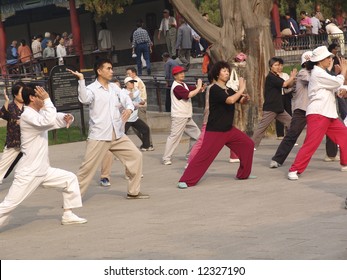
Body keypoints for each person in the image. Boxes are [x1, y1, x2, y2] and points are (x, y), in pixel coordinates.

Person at [0, 83, 87, 229]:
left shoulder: (37, 114)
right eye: (41, 95)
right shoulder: (27, 115)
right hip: (29, 172)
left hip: (43, 170)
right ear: (33, 98)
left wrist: (66, 117)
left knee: (69, 179)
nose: (45, 97)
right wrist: (47, 100)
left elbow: (51, 119)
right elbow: (47, 121)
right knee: (9, 205)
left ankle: (68, 214)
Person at [67, 59, 149, 199]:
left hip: (117, 133)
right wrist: (81, 80)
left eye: (112, 68)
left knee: (136, 156)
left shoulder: (114, 88)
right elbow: (84, 99)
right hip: (99, 135)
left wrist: (129, 109)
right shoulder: (91, 89)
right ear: (99, 71)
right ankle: (71, 199)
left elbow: (126, 100)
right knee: (87, 169)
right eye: (108, 68)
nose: (112, 71)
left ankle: (133, 192)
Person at [177, 61, 254, 189]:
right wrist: (241, 89)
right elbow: (230, 100)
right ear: (217, 74)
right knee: (204, 156)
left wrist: (245, 97)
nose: (227, 73)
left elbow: (239, 100)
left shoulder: (228, 89)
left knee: (248, 145)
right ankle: (186, 179)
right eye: (224, 71)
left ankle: (243, 174)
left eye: (228, 71)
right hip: (215, 131)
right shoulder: (213, 89)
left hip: (229, 130)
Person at [288, 46, 347, 180]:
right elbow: (337, 82)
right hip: (318, 114)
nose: (330, 59)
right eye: (328, 58)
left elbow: (333, 87)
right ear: (320, 60)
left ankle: (345, 163)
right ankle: (294, 169)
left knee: (345, 137)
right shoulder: (317, 73)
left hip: (329, 114)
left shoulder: (322, 72)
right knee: (311, 143)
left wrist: (341, 90)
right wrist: (343, 72)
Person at [270, 51, 313, 168]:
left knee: (331, 132)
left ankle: (332, 154)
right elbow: (313, 80)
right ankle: (277, 159)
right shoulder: (304, 73)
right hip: (302, 109)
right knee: (292, 134)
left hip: (316, 109)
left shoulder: (318, 73)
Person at [162, 66, 203, 165]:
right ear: (174, 76)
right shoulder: (176, 87)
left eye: (183, 72)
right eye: (179, 73)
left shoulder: (183, 84)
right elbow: (189, 95)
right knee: (174, 137)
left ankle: (190, 155)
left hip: (186, 116)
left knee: (197, 136)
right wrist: (198, 87)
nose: (182, 74)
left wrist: (201, 87)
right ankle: (166, 158)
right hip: (179, 116)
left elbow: (195, 90)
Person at [252, 57, 297, 149]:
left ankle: (289, 142)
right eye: (275, 65)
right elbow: (284, 84)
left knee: (291, 123)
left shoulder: (276, 76)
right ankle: (251, 145)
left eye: (279, 65)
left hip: (279, 108)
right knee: (262, 128)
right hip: (271, 108)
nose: (278, 67)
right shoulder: (270, 77)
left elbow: (287, 85)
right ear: (270, 67)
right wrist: (291, 77)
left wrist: (293, 79)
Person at [0, 82, 25, 184]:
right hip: (14, 143)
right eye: (21, 92)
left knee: (38, 163)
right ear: (15, 94)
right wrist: (6, 101)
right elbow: (2, 114)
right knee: (3, 168)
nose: (23, 95)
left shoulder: (28, 106)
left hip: (27, 142)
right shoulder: (10, 107)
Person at [126, 67, 154, 149]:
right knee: (137, 127)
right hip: (136, 106)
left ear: (134, 73)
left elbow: (135, 96)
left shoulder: (137, 82)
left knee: (143, 126)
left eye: (129, 73)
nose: (127, 75)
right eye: (127, 74)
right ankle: (146, 143)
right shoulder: (134, 82)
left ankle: (149, 144)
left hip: (140, 107)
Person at [275, 59, 294, 139]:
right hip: (278, 96)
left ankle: (289, 132)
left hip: (286, 96)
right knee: (279, 114)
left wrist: (292, 79)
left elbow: (289, 85)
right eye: (278, 65)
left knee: (288, 113)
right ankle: (280, 134)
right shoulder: (273, 76)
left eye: (281, 65)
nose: (280, 67)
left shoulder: (285, 75)